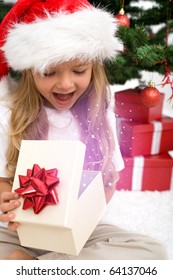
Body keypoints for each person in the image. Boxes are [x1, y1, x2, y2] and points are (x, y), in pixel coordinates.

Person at [0, 0, 167, 260]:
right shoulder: (9, 115)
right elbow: (2, 182)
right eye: (49, 72)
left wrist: (81, 214)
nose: (65, 84)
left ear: (93, 68)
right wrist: (7, 200)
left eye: (79, 70)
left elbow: (108, 181)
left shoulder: (101, 113)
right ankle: (54, 267)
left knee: (153, 251)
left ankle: (37, 266)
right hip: (21, 230)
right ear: (31, 71)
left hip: (81, 230)